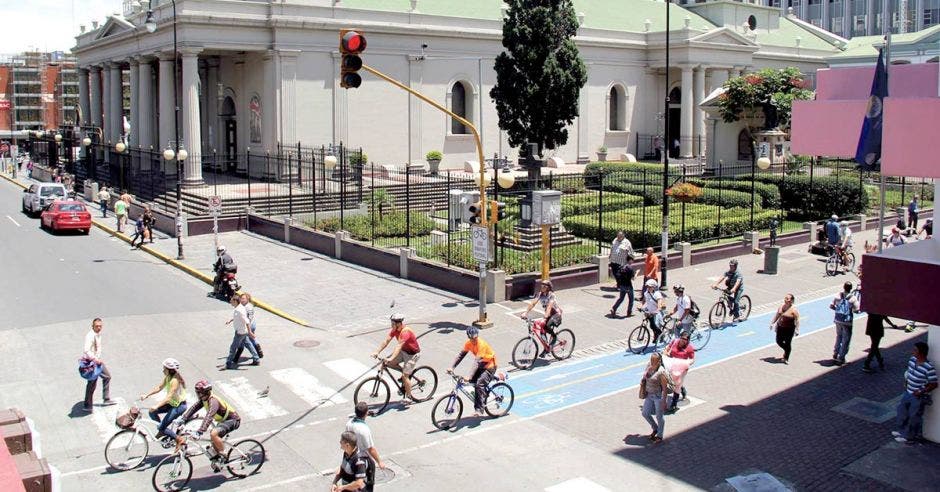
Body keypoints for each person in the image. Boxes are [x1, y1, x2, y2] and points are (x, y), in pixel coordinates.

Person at [175, 380, 241, 471]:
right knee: (213, 443)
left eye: (199, 393)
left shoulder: (213, 401)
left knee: (214, 434)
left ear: (205, 392)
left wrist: (200, 432)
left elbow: (209, 417)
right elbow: (194, 408)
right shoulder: (204, 399)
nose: (198, 394)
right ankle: (219, 461)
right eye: (197, 392)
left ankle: (223, 454)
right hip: (223, 421)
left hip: (233, 420)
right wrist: (183, 418)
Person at [447, 326, 497, 418]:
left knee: (479, 384)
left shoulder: (481, 344)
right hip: (481, 364)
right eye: (471, 339)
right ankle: (482, 395)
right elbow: (460, 355)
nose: (474, 340)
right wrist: (452, 367)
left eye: (475, 338)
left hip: (490, 366)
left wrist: (469, 376)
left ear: (477, 336)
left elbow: (477, 362)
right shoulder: (468, 343)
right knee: (471, 382)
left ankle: (479, 410)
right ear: (469, 338)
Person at [893, 342, 937, 443]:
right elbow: (908, 372)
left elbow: (933, 384)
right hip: (908, 392)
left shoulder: (928, 367)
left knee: (914, 416)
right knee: (902, 412)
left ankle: (909, 436)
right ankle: (902, 431)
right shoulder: (912, 360)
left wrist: (921, 391)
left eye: (915, 350)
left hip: (918, 396)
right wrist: (906, 382)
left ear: (921, 353)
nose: (912, 352)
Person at [371, 313, 420, 403]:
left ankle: (409, 397)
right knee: (388, 364)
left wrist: (391, 357)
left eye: (393, 323)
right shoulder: (394, 330)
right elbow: (386, 341)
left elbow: (399, 346)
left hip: (412, 355)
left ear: (399, 323)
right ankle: (405, 374)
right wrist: (377, 352)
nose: (391, 325)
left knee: (405, 376)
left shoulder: (406, 332)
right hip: (404, 352)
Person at [139, 358, 188, 441]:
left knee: (161, 426)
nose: (163, 370)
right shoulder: (168, 377)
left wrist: (157, 405)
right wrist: (147, 395)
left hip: (179, 406)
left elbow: (168, 397)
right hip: (172, 403)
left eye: (164, 368)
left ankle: (179, 439)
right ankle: (162, 431)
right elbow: (159, 387)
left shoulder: (175, 381)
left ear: (169, 370)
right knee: (152, 412)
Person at [82, 318, 115, 412]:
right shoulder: (90, 336)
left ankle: (106, 399)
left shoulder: (97, 334)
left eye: (100, 326)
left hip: (97, 361)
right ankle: (87, 405)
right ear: (92, 326)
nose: (99, 327)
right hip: (92, 362)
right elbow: (86, 350)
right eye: (97, 326)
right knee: (92, 383)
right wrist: (96, 359)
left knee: (107, 376)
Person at [346, 401, 386, 470]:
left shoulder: (349, 423)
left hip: (351, 457)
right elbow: (371, 449)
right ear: (366, 413)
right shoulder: (364, 429)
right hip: (362, 460)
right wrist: (380, 462)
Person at [640, 352, 669, 443]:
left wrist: (664, 401)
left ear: (659, 361)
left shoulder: (661, 372)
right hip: (649, 395)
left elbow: (665, 388)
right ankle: (655, 428)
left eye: (654, 360)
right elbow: (645, 377)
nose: (652, 362)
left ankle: (660, 435)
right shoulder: (649, 366)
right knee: (645, 413)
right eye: (651, 360)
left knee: (659, 416)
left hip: (658, 396)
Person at [829, 281, 860, 365]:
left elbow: (831, 306)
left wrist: (838, 310)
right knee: (846, 339)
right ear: (850, 288)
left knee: (839, 336)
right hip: (847, 321)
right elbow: (856, 310)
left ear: (843, 287)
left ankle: (835, 353)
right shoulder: (853, 298)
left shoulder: (838, 296)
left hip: (838, 319)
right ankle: (841, 358)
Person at [664, 332, 694, 413]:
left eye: (686, 340)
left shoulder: (689, 348)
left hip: (681, 368)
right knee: (673, 380)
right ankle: (682, 389)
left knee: (677, 384)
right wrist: (666, 353)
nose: (684, 341)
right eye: (682, 339)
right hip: (672, 365)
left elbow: (692, 359)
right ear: (680, 338)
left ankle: (674, 405)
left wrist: (686, 363)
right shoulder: (674, 342)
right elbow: (667, 348)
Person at [225, 295, 257, 369]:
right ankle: (256, 359)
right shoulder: (239, 308)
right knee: (248, 344)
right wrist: (230, 320)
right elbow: (238, 317)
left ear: (235, 301)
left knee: (233, 347)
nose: (230, 302)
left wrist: (250, 332)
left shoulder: (240, 309)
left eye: (231, 301)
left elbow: (247, 321)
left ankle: (228, 363)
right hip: (242, 331)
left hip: (240, 332)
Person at [770, 293, 800, 363]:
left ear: (791, 301)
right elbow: (777, 315)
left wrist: (797, 330)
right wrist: (772, 323)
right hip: (780, 327)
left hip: (789, 329)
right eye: (785, 298)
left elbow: (797, 320)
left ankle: (786, 357)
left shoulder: (794, 310)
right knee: (778, 341)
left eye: (787, 299)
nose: (785, 300)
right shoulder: (781, 307)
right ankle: (787, 350)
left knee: (788, 343)